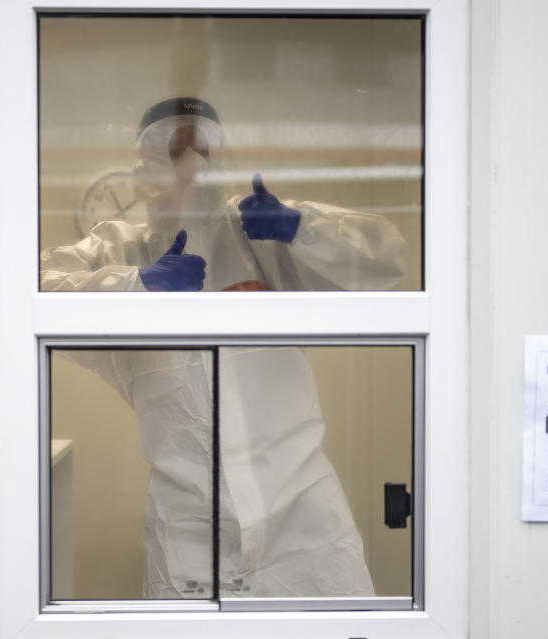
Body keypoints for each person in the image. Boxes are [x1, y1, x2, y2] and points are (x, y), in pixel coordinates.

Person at [42, 98, 407, 599]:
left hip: (302, 517)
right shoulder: (121, 250)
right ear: (145, 162)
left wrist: (302, 227)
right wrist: (134, 286)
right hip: (189, 526)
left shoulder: (259, 235)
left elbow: (386, 259)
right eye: (174, 150)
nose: (192, 165)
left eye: (203, 149)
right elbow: (29, 290)